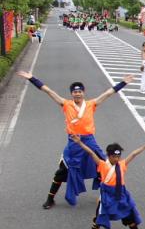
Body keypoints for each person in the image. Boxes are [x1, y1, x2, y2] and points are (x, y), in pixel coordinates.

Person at [17, 70, 135, 208]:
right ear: (71, 93)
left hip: (89, 141)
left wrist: (123, 83)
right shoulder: (66, 104)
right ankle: (50, 198)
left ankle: (109, 196)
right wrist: (32, 78)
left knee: (106, 166)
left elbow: (108, 93)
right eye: (75, 92)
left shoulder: (91, 104)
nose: (77, 93)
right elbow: (48, 91)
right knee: (62, 171)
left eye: (79, 91)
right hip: (73, 142)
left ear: (83, 93)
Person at [70, 135, 145, 229]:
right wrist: (80, 143)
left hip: (121, 194)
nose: (117, 159)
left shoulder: (122, 164)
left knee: (129, 216)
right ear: (109, 156)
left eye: (118, 156)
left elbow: (134, 154)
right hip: (107, 196)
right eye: (114, 156)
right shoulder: (102, 164)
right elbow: (91, 152)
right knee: (99, 218)